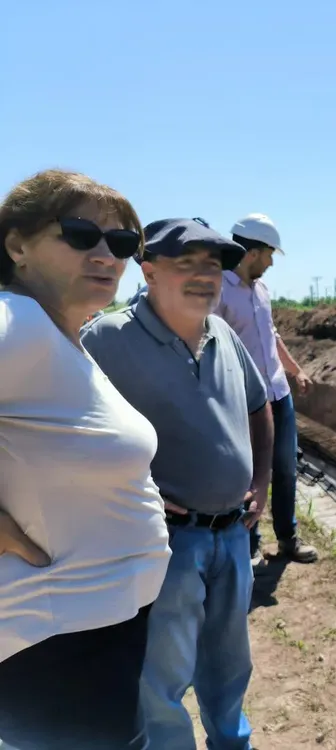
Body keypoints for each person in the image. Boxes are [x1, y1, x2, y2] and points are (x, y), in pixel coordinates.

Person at [82, 218, 274, 750]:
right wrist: (126, 487)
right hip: (165, 540)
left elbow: (260, 407)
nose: (202, 276)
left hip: (233, 534)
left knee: (230, 664)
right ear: (148, 271)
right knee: (162, 677)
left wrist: (261, 479)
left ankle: (232, 743)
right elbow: (66, 432)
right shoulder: (105, 340)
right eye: (184, 263)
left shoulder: (225, 334)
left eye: (212, 264)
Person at [0, 169, 172, 749]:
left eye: (123, 243)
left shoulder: (61, 339)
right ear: (17, 245)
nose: (107, 254)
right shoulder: (16, 324)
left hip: (93, 633)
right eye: (80, 234)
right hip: (56, 646)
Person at [215, 212, 316, 565]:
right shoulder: (220, 290)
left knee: (286, 469)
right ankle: (252, 541)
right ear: (253, 252)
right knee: (251, 473)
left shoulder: (261, 290)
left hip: (278, 394)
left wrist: (296, 371)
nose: (272, 262)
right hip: (245, 401)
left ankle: (287, 537)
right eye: (270, 254)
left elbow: (271, 337)